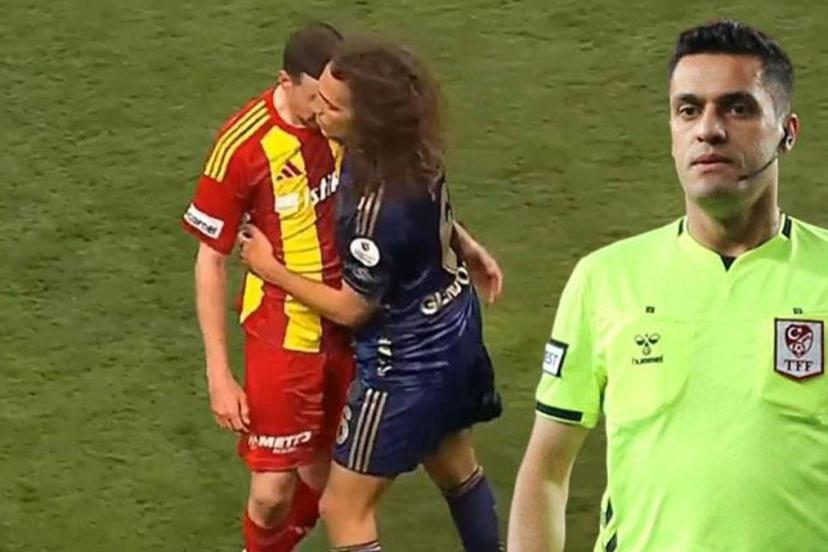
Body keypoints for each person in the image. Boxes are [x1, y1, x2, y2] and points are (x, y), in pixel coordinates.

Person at [508, 19, 828, 552]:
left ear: (786, 132)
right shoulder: (605, 279)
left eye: (738, 108)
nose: (709, 129)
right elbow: (545, 470)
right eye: (689, 109)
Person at [239, 38, 505, 552]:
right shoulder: (416, 151)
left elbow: (353, 309)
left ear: (369, 121)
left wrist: (270, 269)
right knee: (456, 467)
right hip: (456, 325)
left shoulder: (372, 210)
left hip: (406, 365)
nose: (318, 110)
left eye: (333, 106)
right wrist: (467, 245)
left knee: (343, 508)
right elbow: (433, 213)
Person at [181, 23, 353, 552]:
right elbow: (210, 261)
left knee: (332, 478)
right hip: (284, 333)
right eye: (316, 98)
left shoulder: (348, 115)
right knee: (272, 492)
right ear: (285, 81)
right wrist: (219, 375)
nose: (326, 110)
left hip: (351, 320)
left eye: (334, 98)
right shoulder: (242, 146)